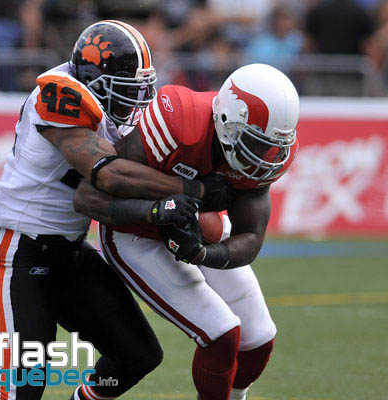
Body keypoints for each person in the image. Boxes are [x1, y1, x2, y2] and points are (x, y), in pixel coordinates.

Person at [0, 20, 230, 400]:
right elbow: (108, 174)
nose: (135, 100)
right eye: (126, 89)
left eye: (139, 88)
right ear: (93, 80)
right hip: (19, 250)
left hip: (70, 252)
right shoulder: (58, 93)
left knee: (137, 356)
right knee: (18, 395)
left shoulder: (107, 103)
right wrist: (193, 191)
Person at [72, 63, 300, 400]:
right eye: (253, 142)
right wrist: (175, 199)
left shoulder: (265, 158)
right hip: (133, 232)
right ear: (227, 118)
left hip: (196, 228)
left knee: (259, 339)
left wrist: (204, 254)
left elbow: (251, 237)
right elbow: (92, 194)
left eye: (269, 146)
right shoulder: (180, 119)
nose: (262, 156)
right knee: (221, 334)